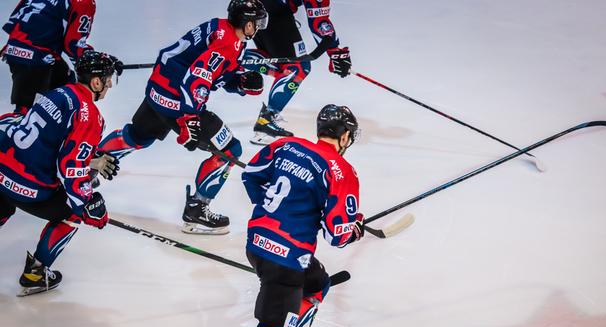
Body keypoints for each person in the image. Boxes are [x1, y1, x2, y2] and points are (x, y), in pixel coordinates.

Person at [168, 104, 363, 327]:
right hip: (287, 259)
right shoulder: (341, 171)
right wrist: (354, 229)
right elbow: (337, 235)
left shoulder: (286, 145)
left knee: (317, 284)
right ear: (346, 136)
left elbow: (252, 175)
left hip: (257, 243)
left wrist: (273, 212)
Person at [95, 0, 268, 235]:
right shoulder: (228, 43)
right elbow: (196, 80)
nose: (258, 27)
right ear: (246, 24)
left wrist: (240, 81)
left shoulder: (220, 28)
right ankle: (197, 210)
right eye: (256, 22)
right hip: (179, 101)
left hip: (158, 91)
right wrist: (189, 118)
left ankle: (89, 164)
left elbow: (213, 72)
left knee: (138, 136)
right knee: (231, 151)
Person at [0, 51, 121, 296]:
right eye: (107, 79)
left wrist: (93, 162)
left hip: (2, 172)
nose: (109, 85)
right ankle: (35, 273)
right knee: (73, 213)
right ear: (95, 82)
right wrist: (88, 205)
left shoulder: (56, 92)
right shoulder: (91, 117)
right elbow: (71, 168)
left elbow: (18, 125)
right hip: (28, 188)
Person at [244, 0, 352, 146]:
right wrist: (335, 51)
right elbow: (319, 20)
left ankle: (228, 56)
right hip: (271, 10)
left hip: (252, 8)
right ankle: (266, 122)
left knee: (282, 66)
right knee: (298, 66)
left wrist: (335, 51)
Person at [1, 0, 120, 115]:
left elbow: (15, 21)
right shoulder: (84, 2)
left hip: (16, 49)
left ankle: (55, 124)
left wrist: (15, 46)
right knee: (27, 113)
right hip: (36, 57)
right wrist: (100, 61)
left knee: (66, 83)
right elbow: (73, 44)